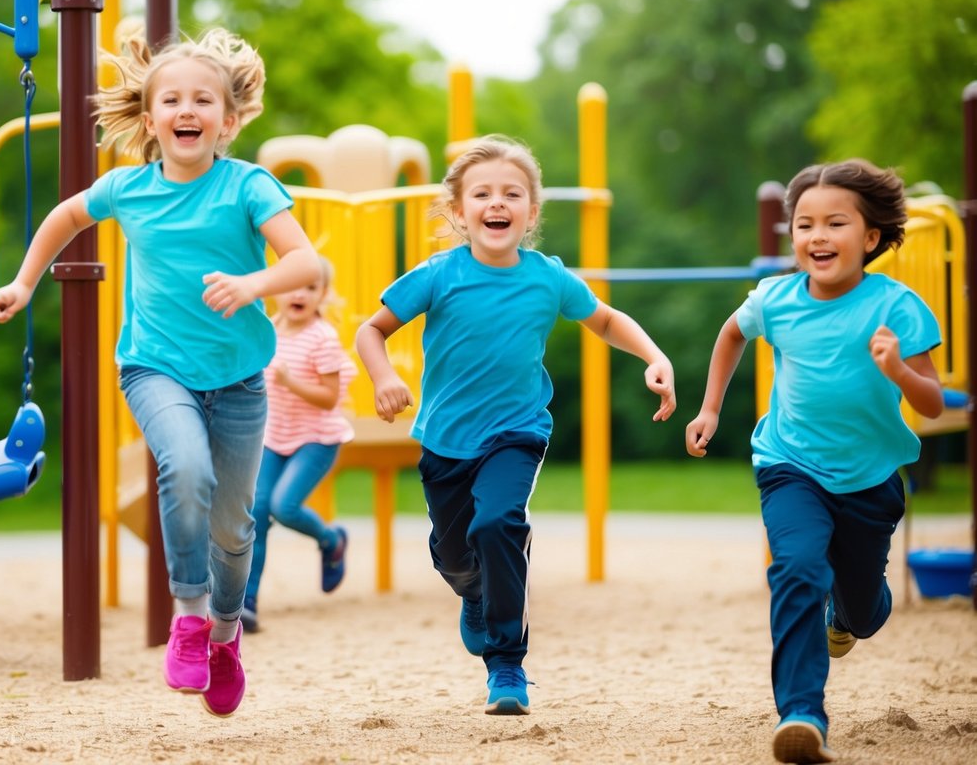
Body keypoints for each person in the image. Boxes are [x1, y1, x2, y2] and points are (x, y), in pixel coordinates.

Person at [0, 28, 320, 718]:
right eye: (172, 99)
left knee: (235, 529)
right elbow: (63, 217)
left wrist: (253, 284)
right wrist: (22, 283)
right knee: (185, 470)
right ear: (150, 120)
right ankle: (189, 616)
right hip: (154, 367)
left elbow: (304, 264)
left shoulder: (247, 185)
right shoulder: (127, 188)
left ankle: (226, 638)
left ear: (227, 121)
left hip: (237, 379)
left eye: (203, 99)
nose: (186, 109)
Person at [355, 135, 676, 716]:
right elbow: (370, 331)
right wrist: (381, 379)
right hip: (446, 439)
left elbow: (604, 319)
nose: (497, 202)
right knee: (455, 555)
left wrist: (655, 357)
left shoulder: (546, 278)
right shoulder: (437, 275)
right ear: (458, 211)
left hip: (517, 431)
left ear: (530, 211)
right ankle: (473, 590)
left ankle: (507, 665)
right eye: (483, 193)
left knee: (500, 521)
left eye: (512, 193)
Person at [684, 159, 943, 764]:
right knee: (797, 567)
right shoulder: (775, 298)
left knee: (862, 610)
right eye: (804, 225)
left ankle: (849, 611)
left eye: (835, 223)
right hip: (789, 465)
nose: (817, 236)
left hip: (870, 480)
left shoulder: (897, 307)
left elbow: (931, 405)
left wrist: (899, 369)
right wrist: (711, 409)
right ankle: (803, 713)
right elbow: (731, 334)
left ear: (871, 237)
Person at [242, 256, 357, 634]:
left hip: (317, 438)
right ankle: (248, 604)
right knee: (256, 512)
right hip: (274, 436)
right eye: (293, 284)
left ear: (322, 295)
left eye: (311, 287)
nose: (300, 294)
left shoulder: (322, 338)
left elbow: (328, 398)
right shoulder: (268, 329)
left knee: (284, 506)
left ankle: (330, 539)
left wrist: (290, 382)